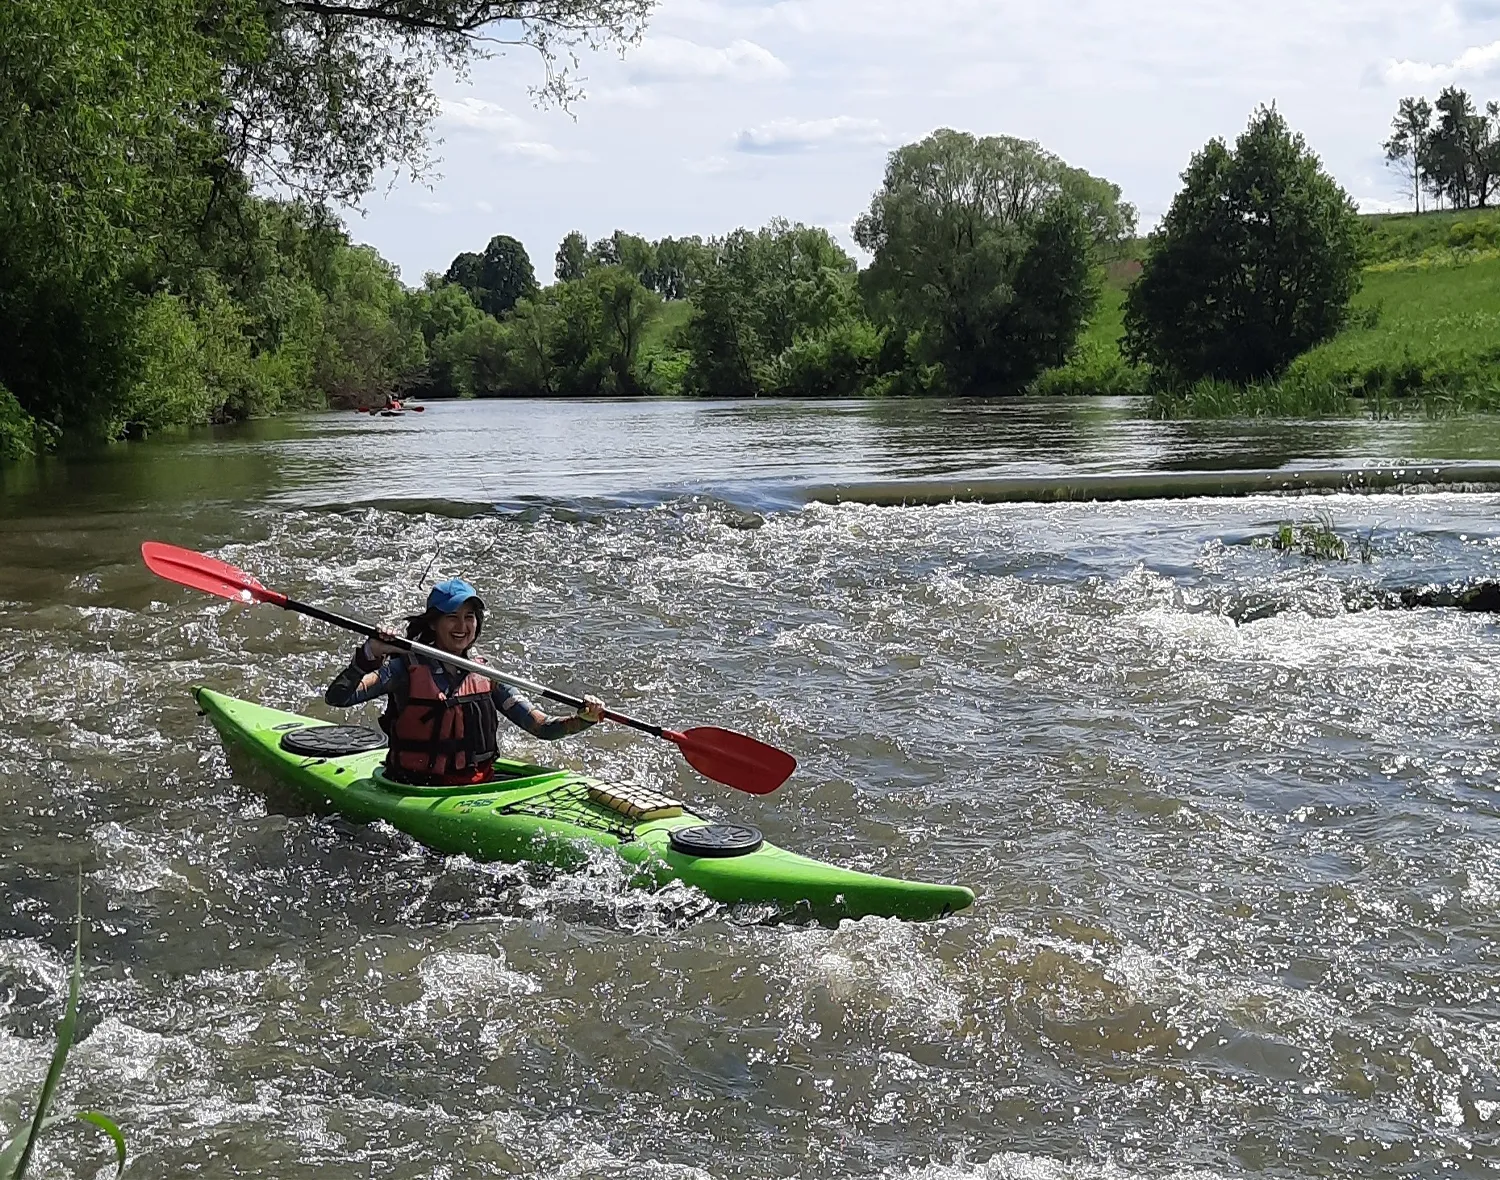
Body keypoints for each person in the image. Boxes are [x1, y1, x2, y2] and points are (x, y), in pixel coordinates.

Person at [324, 577, 605, 785]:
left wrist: (584, 719)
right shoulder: (403, 670)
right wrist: (370, 653)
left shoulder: (488, 676)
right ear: (433, 623)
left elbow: (542, 727)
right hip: (415, 786)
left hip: (477, 787)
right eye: (452, 617)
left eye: (469, 617)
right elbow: (338, 697)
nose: (462, 627)